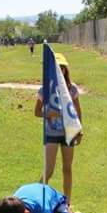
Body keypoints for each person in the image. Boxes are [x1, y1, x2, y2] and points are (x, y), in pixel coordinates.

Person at [34, 52, 83, 204]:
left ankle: (67, 203)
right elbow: (36, 112)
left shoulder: (72, 89)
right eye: (57, 68)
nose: (60, 70)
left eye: (62, 67)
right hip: (51, 134)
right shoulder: (44, 89)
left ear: (66, 70)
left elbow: (77, 111)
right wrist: (48, 114)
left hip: (69, 133)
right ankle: (37, 201)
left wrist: (79, 130)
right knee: (48, 170)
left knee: (67, 169)